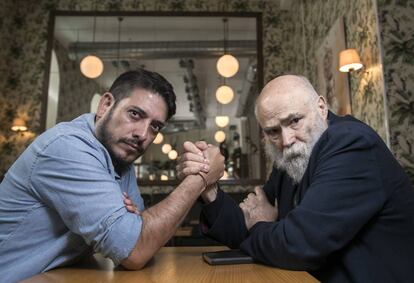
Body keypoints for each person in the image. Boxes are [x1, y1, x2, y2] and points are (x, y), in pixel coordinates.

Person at [177, 75, 414, 282]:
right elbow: (244, 230)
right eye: (273, 131)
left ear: (321, 107)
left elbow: (299, 244)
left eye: (295, 121)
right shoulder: (290, 158)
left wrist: (264, 225)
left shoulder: (351, 144)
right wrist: (209, 188)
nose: (286, 139)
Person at [0, 69, 224, 282]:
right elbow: (136, 249)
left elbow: (141, 237)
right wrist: (201, 177)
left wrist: (135, 229)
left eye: (155, 126)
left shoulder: (120, 161)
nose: (143, 134)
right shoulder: (68, 147)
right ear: (106, 105)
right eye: (135, 114)